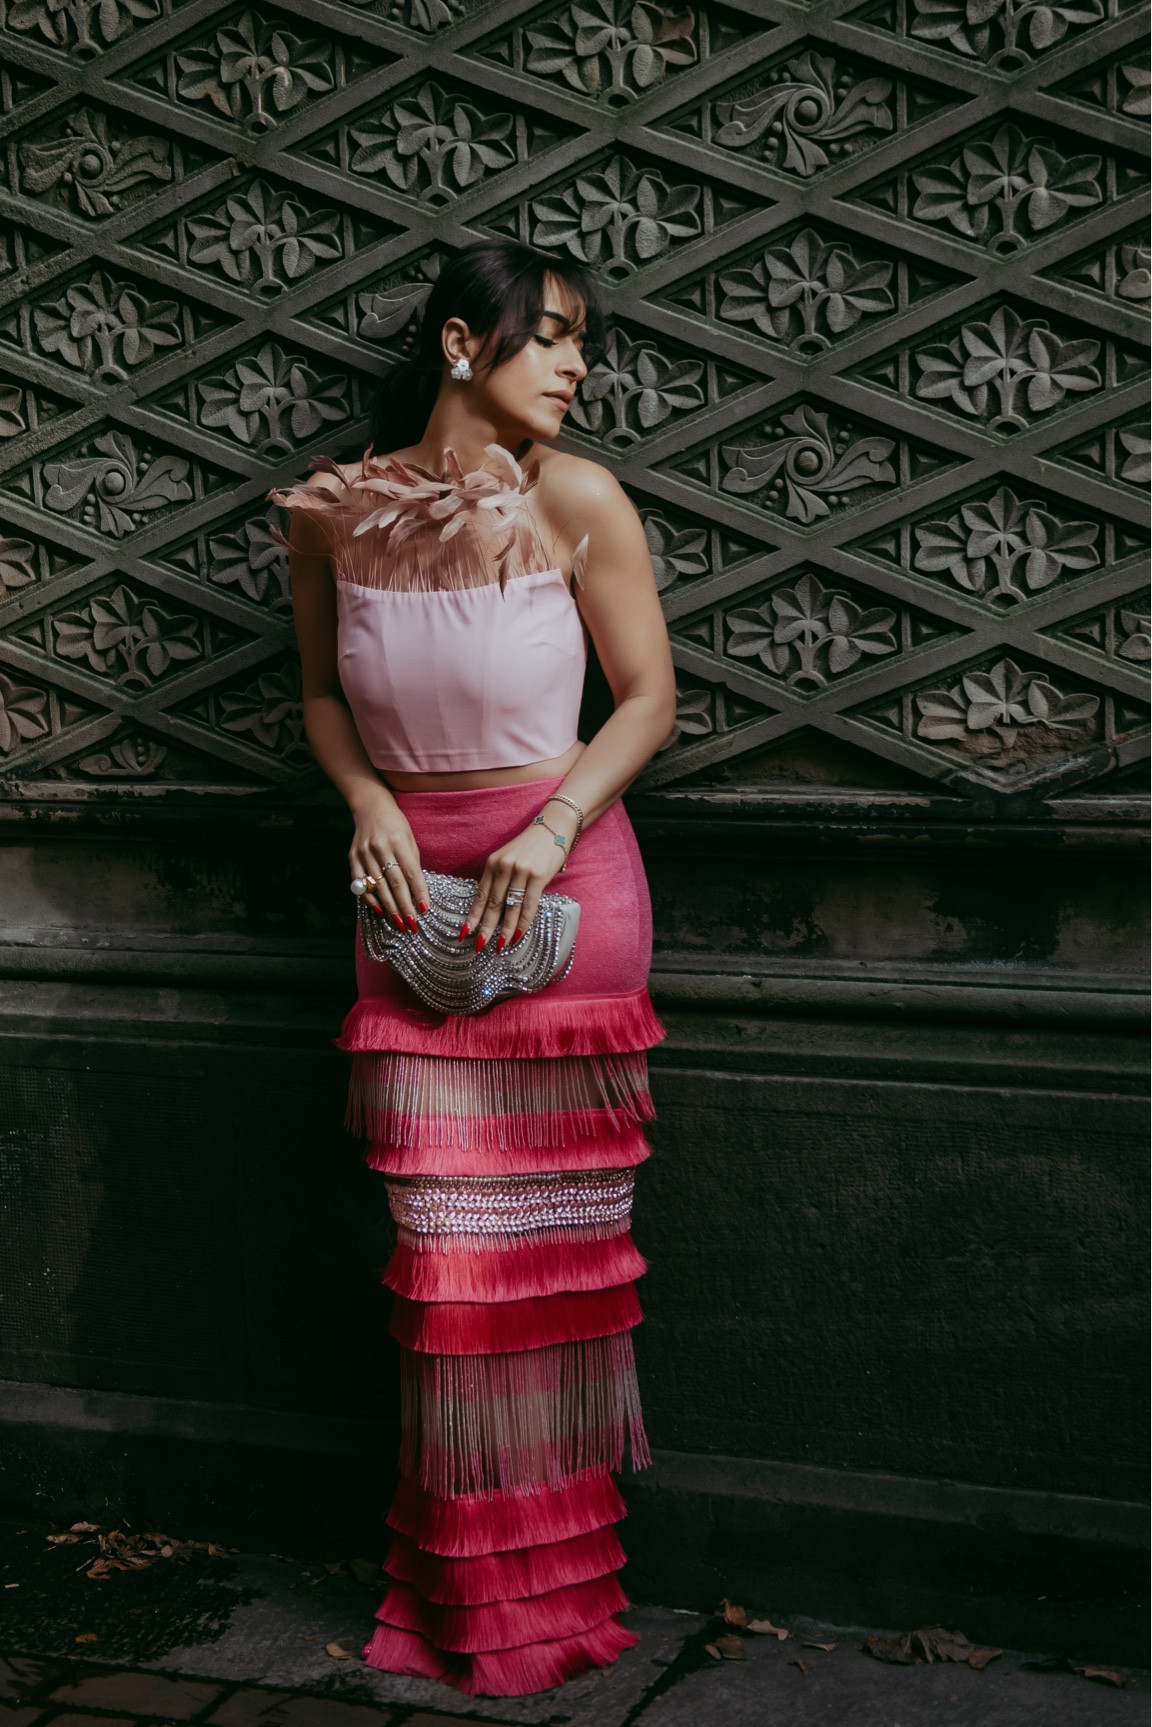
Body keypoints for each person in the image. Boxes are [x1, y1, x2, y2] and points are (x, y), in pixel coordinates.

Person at [266, 237, 677, 1698]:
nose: (577, 366)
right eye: (551, 336)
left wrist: (553, 825)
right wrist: (368, 803)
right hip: (403, 897)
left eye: (582, 343)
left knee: (553, 1276)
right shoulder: (335, 513)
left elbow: (649, 700)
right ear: (460, 344)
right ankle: (465, 1588)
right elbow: (323, 697)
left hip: (567, 892)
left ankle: (558, 1598)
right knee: (449, 1275)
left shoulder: (580, 500)